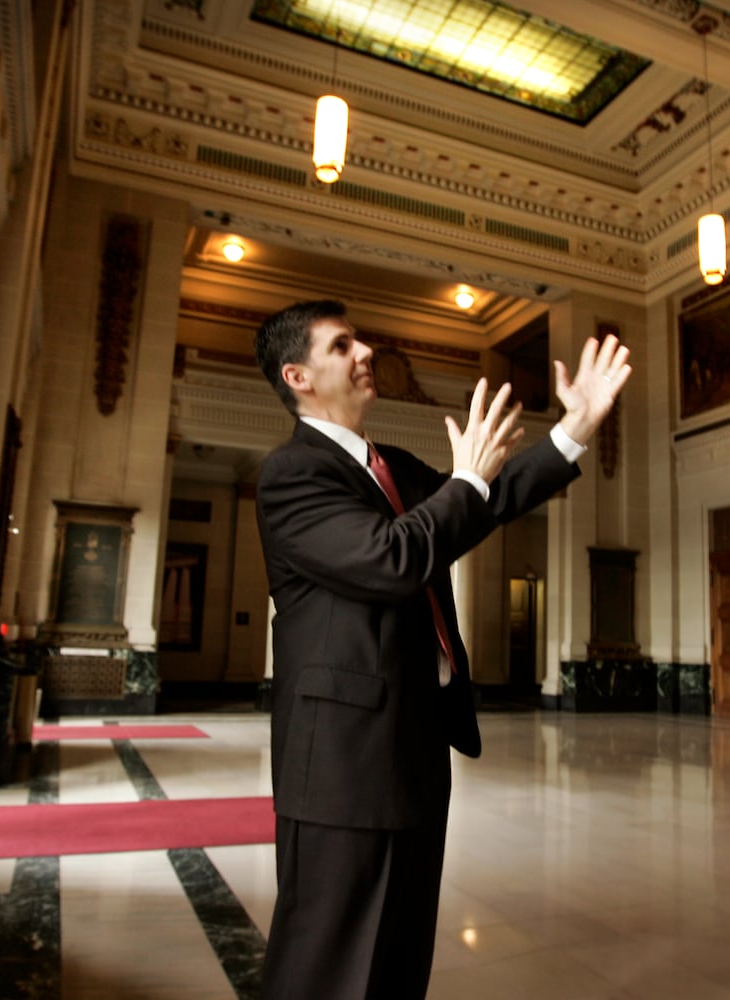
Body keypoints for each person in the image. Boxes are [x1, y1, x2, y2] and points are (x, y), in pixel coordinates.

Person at [252, 299, 630, 999]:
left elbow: (484, 502)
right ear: (298, 375)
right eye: (343, 346)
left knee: (399, 951)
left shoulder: (386, 465)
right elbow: (390, 559)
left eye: (359, 340)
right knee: (327, 961)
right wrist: (465, 480)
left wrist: (576, 429)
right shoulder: (292, 474)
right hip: (341, 758)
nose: (365, 353)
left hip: (416, 739)